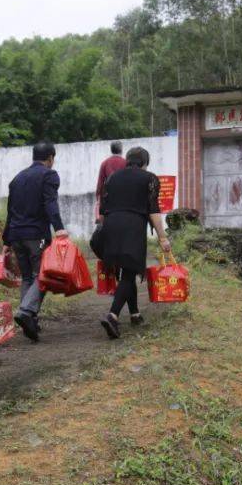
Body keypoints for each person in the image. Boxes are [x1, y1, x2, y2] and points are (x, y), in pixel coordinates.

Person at [95, 146, 171, 339]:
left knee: (125, 272)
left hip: (111, 225)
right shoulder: (149, 178)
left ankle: (135, 314)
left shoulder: (112, 178)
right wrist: (162, 237)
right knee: (129, 273)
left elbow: (103, 209)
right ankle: (112, 316)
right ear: (145, 163)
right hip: (132, 227)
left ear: (127, 160)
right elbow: (153, 210)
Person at [2, 142, 68, 342]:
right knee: (42, 275)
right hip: (35, 234)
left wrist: (6, 239)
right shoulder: (49, 175)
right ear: (50, 158)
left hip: (16, 235)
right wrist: (59, 228)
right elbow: (50, 202)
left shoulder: (17, 178)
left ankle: (30, 319)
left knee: (28, 278)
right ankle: (26, 312)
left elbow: (10, 210)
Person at [94, 141, 127, 219]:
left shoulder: (104, 163)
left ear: (111, 150)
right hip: (123, 197)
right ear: (121, 150)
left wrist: (98, 197)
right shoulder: (126, 163)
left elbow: (100, 182)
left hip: (109, 198)